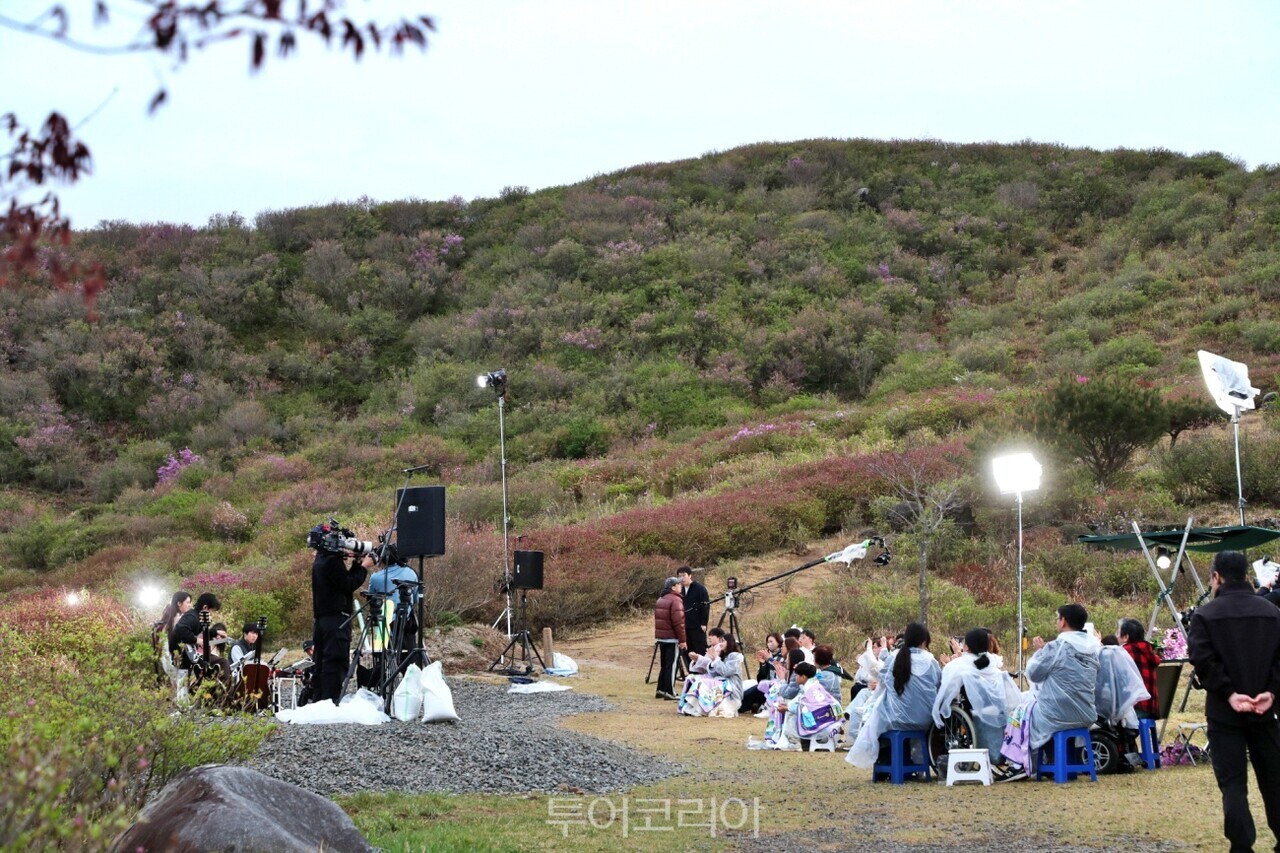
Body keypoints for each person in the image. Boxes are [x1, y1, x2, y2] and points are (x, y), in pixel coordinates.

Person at [1188, 550, 1280, 852]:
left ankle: (1242, 846)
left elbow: (1202, 660)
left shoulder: (1205, 615)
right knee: (1275, 780)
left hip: (1224, 712)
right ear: (1246, 575)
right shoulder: (1271, 612)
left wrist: (1228, 692)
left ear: (1216, 577)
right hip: (1266, 710)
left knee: (1233, 784)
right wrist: (1271, 691)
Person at [994, 603, 1100, 782]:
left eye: (1058, 618)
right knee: (1033, 711)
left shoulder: (1057, 647)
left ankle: (1019, 764)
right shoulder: (1093, 649)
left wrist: (1040, 652)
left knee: (1019, 712)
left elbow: (1033, 674)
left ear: (1063, 621)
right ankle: (1051, 762)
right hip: (1086, 713)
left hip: (1057, 714)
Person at [847, 622, 941, 769]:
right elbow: (938, 685)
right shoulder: (931, 661)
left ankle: (886, 761)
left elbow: (884, 681)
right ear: (925, 641)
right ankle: (916, 763)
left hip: (897, 719)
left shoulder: (894, 657)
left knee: (877, 708)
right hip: (926, 720)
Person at [932, 628, 1021, 761]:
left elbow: (946, 689)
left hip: (971, 710)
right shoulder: (992, 663)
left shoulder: (958, 665)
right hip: (996, 709)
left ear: (966, 647)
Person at [310, 528, 369, 705]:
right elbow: (348, 583)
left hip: (323, 620)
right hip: (336, 620)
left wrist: (356, 563)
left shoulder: (321, 560)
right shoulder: (331, 562)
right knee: (335, 662)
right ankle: (330, 701)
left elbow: (341, 581)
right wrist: (363, 566)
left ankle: (320, 701)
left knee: (321, 662)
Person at [679, 629, 745, 717]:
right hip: (721, 682)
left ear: (729, 642)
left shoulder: (735, 656)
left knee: (703, 683)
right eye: (720, 641)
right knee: (695, 680)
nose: (720, 643)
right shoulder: (721, 655)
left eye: (723, 641)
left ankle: (703, 708)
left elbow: (726, 672)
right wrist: (712, 661)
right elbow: (713, 673)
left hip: (731, 687)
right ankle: (693, 707)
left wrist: (715, 659)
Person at [1117, 618, 1160, 720]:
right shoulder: (1147, 650)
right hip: (1150, 708)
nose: (1116, 636)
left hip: (1134, 708)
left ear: (1126, 637)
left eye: (1118, 633)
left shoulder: (1124, 652)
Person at [653, 577, 686, 700]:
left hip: (662, 637)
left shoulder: (661, 599)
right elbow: (679, 623)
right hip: (672, 638)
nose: (680, 586)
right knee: (671, 665)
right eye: (678, 584)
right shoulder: (676, 600)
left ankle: (661, 689)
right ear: (673, 587)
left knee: (664, 664)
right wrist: (682, 640)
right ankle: (670, 691)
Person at [740, 632, 785, 715]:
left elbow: (780, 668)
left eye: (771, 641)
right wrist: (763, 664)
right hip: (767, 684)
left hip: (776, 686)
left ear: (778, 642)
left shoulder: (782, 655)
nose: (769, 644)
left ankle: (743, 706)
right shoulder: (768, 655)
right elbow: (761, 678)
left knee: (752, 693)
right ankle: (755, 704)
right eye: (768, 642)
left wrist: (769, 659)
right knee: (749, 692)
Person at [677, 566, 709, 658]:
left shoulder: (700, 589)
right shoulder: (680, 590)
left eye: (684, 575)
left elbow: (705, 606)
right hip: (684, 625)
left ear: (690, 575)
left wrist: (704, 623)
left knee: (700, 649)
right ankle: (690, 667)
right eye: (680, 576)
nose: (682, 578)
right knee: (687, 651)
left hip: (697, 625)